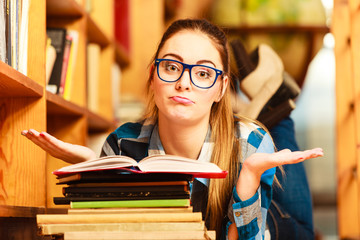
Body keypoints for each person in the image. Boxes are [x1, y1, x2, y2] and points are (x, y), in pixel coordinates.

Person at [22, 19, 323, 240]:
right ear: (153, 75)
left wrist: (247, 183)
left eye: (203, 73)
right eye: (171, 67)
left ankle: (276, 105)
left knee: (304, 233)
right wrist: (94, 169)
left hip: (270, 225)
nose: (184, 83)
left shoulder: (252, 143)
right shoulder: (123, 143)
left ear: (221, 89)